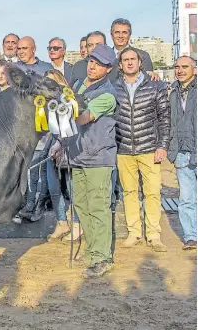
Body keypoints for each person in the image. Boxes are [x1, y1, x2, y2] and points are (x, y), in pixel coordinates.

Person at [50, 44, 118, 279]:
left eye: (98, 63)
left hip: (99, 157)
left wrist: (61, 111)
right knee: (81, 205)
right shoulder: (78, 85)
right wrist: (59, 142)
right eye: (91, 61)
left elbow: (83, 117)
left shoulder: (108, 94)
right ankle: (92, 252)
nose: (92, 66)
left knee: (98, 207)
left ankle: (102, 258)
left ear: (108, 69)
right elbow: (70, 124)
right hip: (78, 156)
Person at [114, 47, 170, 252]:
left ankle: (154, 234)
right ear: (120, 65)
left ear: (140, 62)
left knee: (152, 192)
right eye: (125, 60)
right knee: (129, 192)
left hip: (149, 148)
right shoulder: (114, 88)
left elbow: (164, 118)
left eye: (133, 59)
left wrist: (162, 146)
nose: (129, 63)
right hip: (124, 149)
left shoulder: (156, 86)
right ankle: (134, 232)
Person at [45, 70, 81, 242]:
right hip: (49, 145)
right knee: (53, 187)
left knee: (72, 187)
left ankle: (77, 223)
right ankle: (61, 221)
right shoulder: (42, 102)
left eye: (53, 83)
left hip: (69, 146)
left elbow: (71, 125)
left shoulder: (68, 100)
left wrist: (60, 141)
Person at [167, 56, 197, 250]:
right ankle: (191, 236)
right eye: (177, 67)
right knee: (186, 198)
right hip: (182, 152)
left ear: (194, 69)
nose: (180, 70)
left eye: (184, 67)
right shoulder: (173, 93)